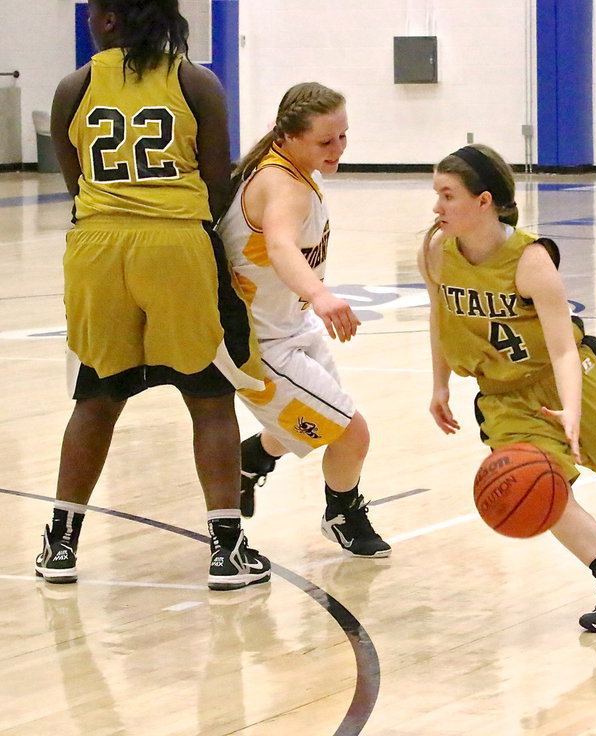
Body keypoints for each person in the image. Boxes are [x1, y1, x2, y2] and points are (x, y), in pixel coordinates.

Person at [35, 0, 271, 591]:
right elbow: (218, 185)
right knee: (210, 398)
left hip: (96, 246)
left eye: (94, 11)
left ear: (112, 20)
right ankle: (225, 551)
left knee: (95, 399)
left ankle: (61, 543)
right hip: (175, 247)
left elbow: (75, 180)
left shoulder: (75, 86)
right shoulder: (196, 81)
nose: (89, 19)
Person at [417, 144, 596, 632]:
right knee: (541, 486)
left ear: (484, 201)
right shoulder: (435, 252)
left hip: (572, 379)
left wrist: (570, 410)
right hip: (503, 395)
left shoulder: (529, 260)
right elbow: (441, 317)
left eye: (448, 195)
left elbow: (565, 350)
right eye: (436, 195)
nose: (436, 207)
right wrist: (439, 384)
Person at [216, 82, 391, 558]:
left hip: (290, 328)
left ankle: (250, 460)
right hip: (259, 345)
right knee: (350, 431)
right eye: (325, 141)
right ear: (289, 136)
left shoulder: (297, 168)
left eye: (343, 137)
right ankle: (342, 513)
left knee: (321, 419)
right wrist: (318, 294)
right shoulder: (279, 183)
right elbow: (279, 246)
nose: (338, 149)